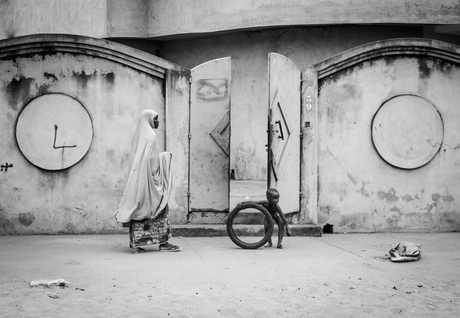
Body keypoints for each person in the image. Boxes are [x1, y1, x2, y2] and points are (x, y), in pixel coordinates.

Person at [114, 109, 181, 253]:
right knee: (161, 207)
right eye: (155, 119)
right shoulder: (151, 136)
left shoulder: (140, 136)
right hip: (151, 180)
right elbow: (151, 161)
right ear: (148, 119)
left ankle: (136, 245)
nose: (157, 122)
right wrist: (164, 158)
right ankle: (164, 243)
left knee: (138, 208)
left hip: (139, 180)